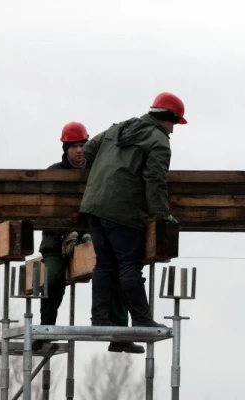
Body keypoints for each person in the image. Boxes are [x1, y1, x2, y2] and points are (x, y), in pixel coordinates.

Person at [80, 92, 187, 353]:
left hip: (93, 206)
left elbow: (87, 151)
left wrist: (106, 170)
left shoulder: (120, 127)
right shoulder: (159, 141)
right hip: (123, 211)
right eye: (174, 124)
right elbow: (155, 179)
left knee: (105, 265)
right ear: (168, 119)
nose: (173, 131)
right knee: (130, 266)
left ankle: (100, 319)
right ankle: (141, 318)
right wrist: (162, 216)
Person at [33, 121, 98, 351]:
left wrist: (85, 234)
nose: (79, 150)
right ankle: (45, 329)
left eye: (82, 145)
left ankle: (108, 325)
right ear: (66, 149)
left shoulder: (96, 172)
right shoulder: (55, 173)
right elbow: (47, 214)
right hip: (55, 242)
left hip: (89, 236)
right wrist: (66, 234)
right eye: (74, 146)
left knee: (109, 268)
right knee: (52, 279)